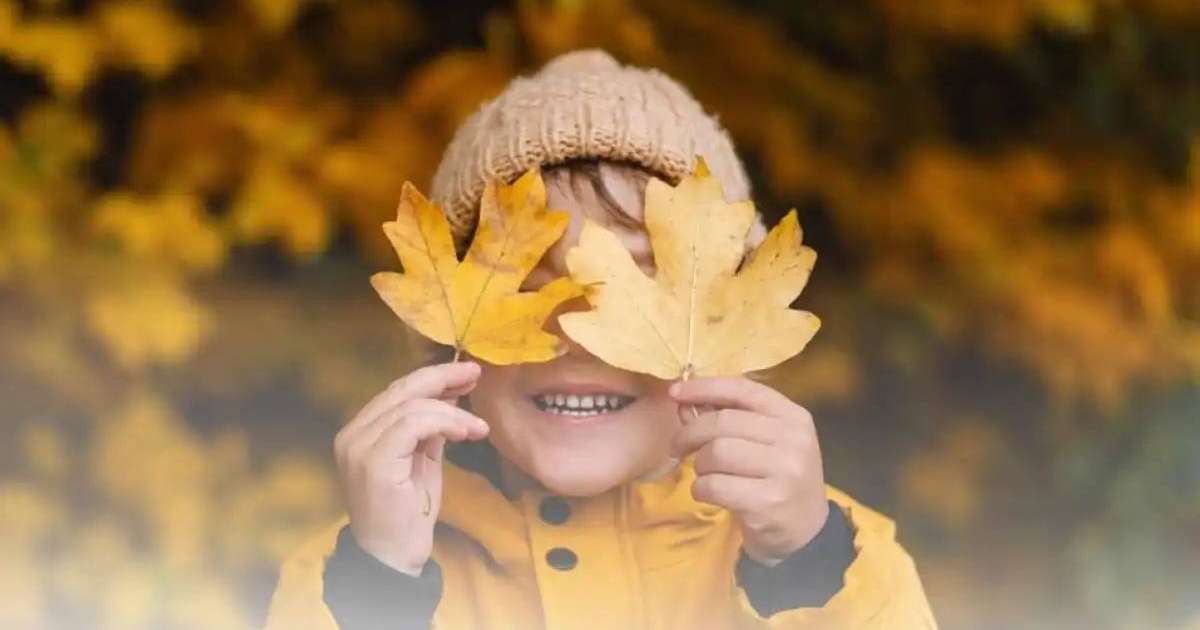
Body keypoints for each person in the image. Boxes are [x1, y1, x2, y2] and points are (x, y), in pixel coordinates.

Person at [264, 49, 937, 630]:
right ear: (452, 334)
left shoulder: (831, 559)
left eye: (636, 284)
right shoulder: (350, 574)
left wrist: (802, 567)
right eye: (530, 281)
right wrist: (378, 585)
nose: (581, 337)